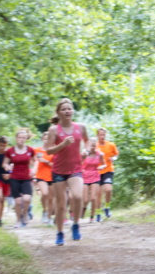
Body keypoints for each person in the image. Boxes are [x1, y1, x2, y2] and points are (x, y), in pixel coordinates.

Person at [44, 98, 90, 246]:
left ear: (73, 111)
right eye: (63, 109)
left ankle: (75, 224)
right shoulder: (53, 130)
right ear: (58, 112)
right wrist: (63, 144)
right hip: (58, 171)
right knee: (61, 204)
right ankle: (59, 232)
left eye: (69, 108)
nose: (67, 111)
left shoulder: (80, 127)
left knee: (77, 196)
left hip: (75, 169)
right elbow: (48, 150)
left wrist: (86, 150)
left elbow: (87, 141)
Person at [4, 129, 37, 227]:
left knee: (27, 199)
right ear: (16, 138)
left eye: (23, 138)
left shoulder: (30, 150)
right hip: (14, 178)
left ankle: (25, 213)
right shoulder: (10, 151)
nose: (21, 139)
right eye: (19, 137)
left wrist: (34, 169)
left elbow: (36, 161)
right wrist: (7, 166)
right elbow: (5, 162)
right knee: (18, 201)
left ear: (26, 139)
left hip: (26, 177)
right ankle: (18, 220)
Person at [95, 129, 119, 220]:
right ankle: (98, 213)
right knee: (99, 193)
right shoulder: (95, 145)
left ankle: (107, 207)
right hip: (97, 171)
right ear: (97, 135)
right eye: (100, 135)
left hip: (108, 169)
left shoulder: (111, 145)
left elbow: (116, 154)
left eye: (103, 135)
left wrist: (114, 158)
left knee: (108, 189)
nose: (102, 136)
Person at [80, 144, 104, 222]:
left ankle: (92, 216)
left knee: (93, 198)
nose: (92, 148)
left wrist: (102, 166)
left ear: (96, 146)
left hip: (95, 176)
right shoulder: (84, 154)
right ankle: (84, 208)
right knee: (86, 199)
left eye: (94, 146)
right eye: (91, 146)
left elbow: (104, 164)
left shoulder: (99, 154)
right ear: (88, 147)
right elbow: (79, 163)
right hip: (85, 177)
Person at [33, 132, 53, 225]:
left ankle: (49, 217)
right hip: (41, 176)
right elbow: (34, 161)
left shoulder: (53, 151)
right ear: (42, 140)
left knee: (51, 198)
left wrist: (47, 162)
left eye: (48, 139)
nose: (46, 141)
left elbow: (56, 165)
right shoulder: (37, 150)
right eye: (45, 139)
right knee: (44, 194)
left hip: (52, 176)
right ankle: (44, 211)